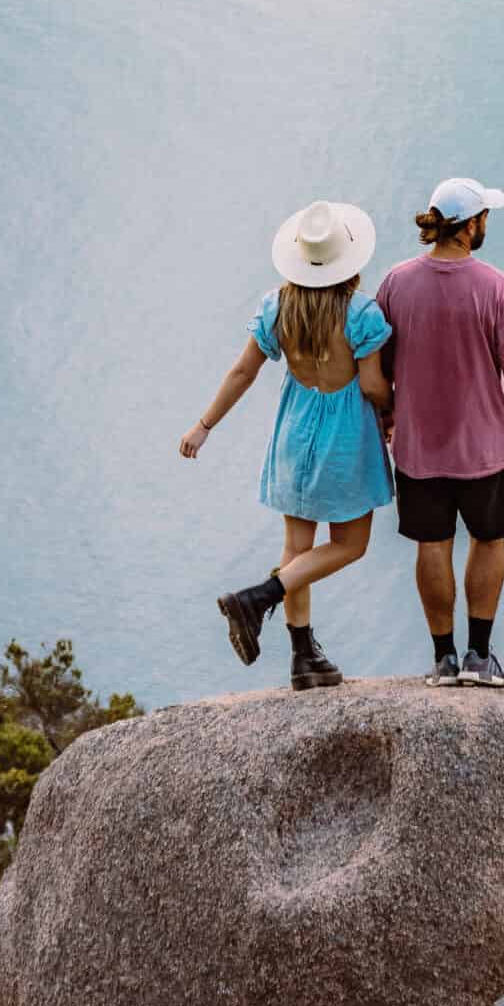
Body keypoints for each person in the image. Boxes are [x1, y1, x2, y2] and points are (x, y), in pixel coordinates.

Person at [181, 198, 394, 691]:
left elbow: (243, 371)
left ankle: (302, 658)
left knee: (297, 547)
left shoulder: (277, 307)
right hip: (345, 443)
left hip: (294, 438)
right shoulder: (360, 314)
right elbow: (371, 387)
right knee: (350, 545)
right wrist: (394, 410)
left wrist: (203, 425)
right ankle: (259, 596)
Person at [376, 174, 504, 690]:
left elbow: (380, 363)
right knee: (489, 539)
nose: (487, 223)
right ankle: (479, 655)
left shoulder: (396, 283)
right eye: (485, 216)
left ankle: (443, 660)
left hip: (416, 447)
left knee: (432, 544)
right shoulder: (496, 288)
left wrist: (388, 417)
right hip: (484, 449)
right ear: (471, 224)